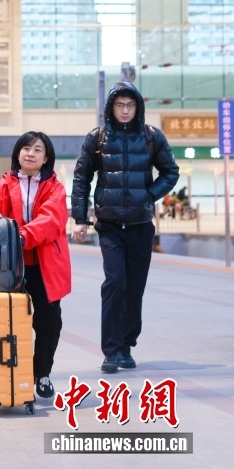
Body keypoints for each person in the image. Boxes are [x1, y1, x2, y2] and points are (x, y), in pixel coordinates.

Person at [71, 82, 179, 374]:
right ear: (111, 107)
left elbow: (171, 172)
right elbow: (82, 178)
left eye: (130, 105)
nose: (125, 110)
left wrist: (149, 194)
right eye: (120, 105)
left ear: (138, 107)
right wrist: (80, 219)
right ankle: (111, 351)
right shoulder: (98, 138)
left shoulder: (152, 136)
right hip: (109, 225)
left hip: (141, 225)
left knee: (134, 288)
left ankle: (126, 345)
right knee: (115, 282)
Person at [0, 131, 72, 400]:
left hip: (45, 265)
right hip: (9, 265)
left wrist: (20, 236)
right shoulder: (3, 185)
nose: (31, 153)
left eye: (38, 150)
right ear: (17, 153)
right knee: (9, 322)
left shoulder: (55, 188)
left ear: (46, 157)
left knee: (49, 322)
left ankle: (43, 373)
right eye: (26, 148)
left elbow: (51, 220)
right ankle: (14, 377)